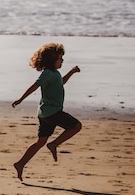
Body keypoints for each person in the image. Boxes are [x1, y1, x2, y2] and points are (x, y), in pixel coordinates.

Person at [11, 43, 82, 181]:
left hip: (45, 113)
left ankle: (20, 164)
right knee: (76, 126)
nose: (62, 61)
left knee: (40, 142)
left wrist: (72, 72)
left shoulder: (54, 74)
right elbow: (35, 86)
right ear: (52, 60)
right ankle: (54, 144)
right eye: (60, 58)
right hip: (52, 112)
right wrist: (20, 99)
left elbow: (61, 82)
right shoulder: (48, 73)